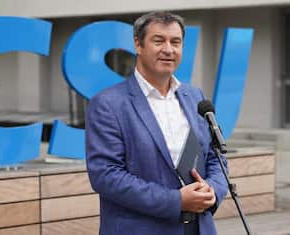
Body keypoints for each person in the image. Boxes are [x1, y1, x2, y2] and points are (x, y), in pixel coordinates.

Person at [85, 11, 228, 235]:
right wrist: (176, 200)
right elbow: (106, 175)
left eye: (176, 42)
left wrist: (213, 191)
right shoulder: (108, 104)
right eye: (158, 40)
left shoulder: (195, 97)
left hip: (199, 228)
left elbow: (215, 158)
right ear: (138, 44)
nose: (168, 49)